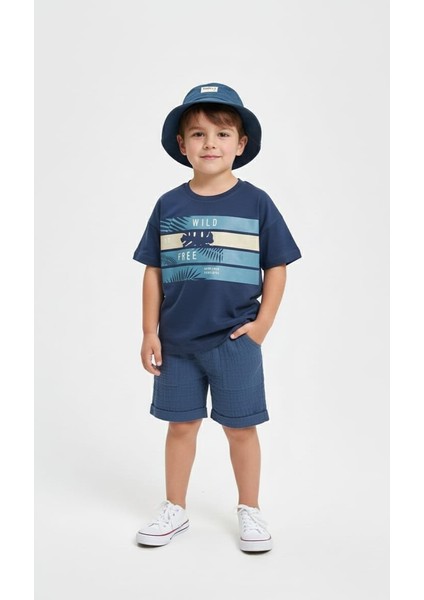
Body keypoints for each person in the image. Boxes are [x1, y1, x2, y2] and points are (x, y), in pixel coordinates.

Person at [133, 82, 301, 552]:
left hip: (234, 341)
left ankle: (250, 508)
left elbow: (277, 265)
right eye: (199, 134)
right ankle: (175, 508)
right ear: (182, 144)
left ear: (240, 144)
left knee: (241, 428)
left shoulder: (256, 202)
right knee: (180, 426)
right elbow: (153, 271)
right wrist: (149, 331)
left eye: (223, 134)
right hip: (177, 342)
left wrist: (262, 325)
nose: (211, 143)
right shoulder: (169, 205)